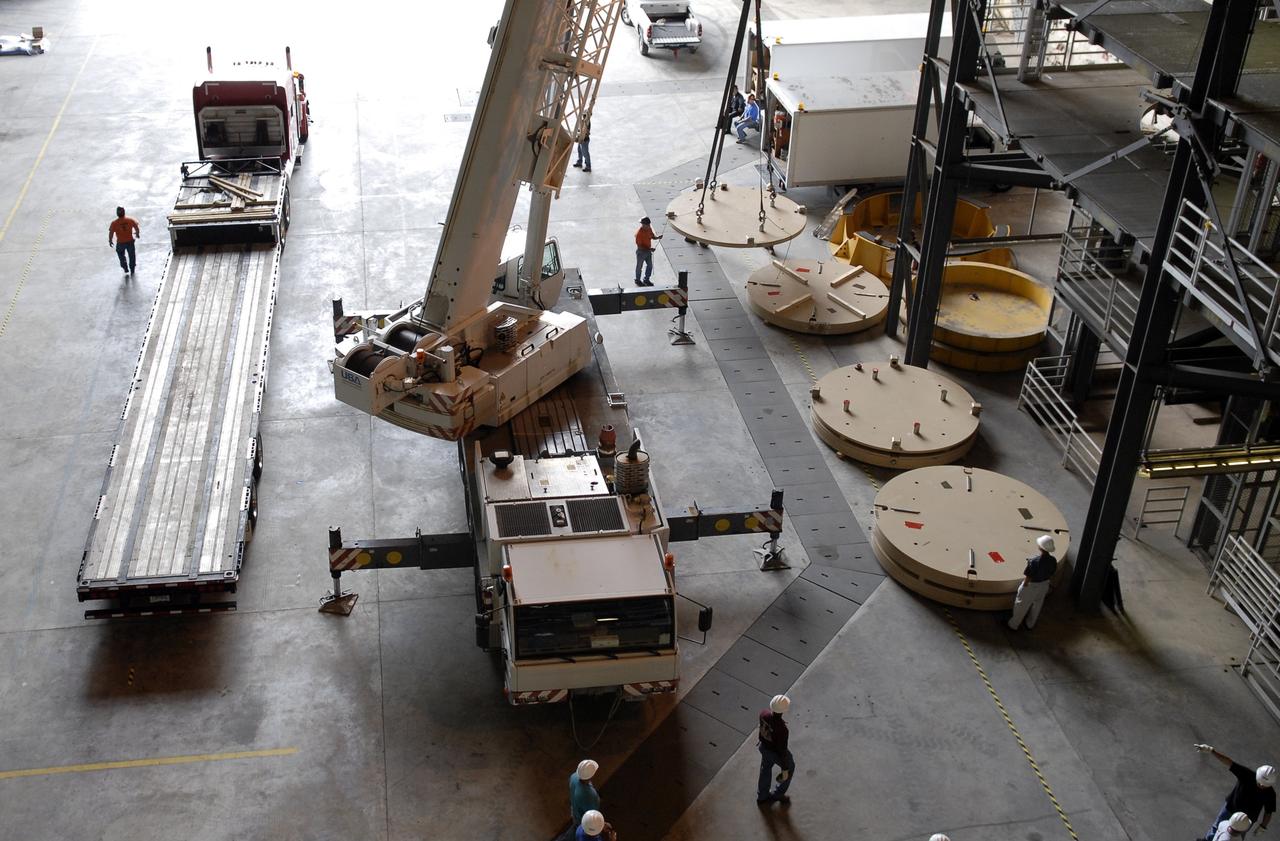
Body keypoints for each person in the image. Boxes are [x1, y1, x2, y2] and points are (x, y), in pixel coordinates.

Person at [1195, 744, 1276, 840]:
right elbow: (1229, 763)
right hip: (1230, 808)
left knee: (1235, 837)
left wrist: (1263, 826)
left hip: (1246, 820)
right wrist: (1211, 751)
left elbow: (1268, 811)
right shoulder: (1247, 775)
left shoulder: (1270, 794)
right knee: (1216, 828)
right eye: (1260, 783)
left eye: (1265, 785)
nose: (1261, 786)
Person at [1007, 534, 1057, 631]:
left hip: (1032, 586)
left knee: (1021, 606)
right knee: (1037, 605)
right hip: (1044, 585)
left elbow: (1028, 576)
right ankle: (1030, 624)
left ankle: (1013, 625)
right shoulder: (1053, 560)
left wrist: (1024, 587)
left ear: (1040, 547)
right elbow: (1052, 572)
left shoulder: (1034, 561)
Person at [757, 693, 795, 805]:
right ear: (784, 711)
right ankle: (778, 794)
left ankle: (762, 796)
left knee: (765, 768)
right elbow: (782, 750)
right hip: (775, 752)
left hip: (764, 747)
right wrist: (785, 768)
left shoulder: (763, 714)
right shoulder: (782, 729)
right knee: (791, 768)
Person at [555, 759, 600, 841]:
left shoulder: (574, 776)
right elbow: (592, 815)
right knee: (575, 834)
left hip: (575, 811)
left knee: (569, 834)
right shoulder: (589, 795)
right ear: (590, 776)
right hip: (582, 820)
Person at [108, 206, 140, 275]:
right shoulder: (130, 220)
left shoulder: (114, 223)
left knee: (120, 254)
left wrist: (110, 240)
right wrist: (137, 234)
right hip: (130, 241)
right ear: (124, 212)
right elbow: (136, 227)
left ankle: (124, 266)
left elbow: (111, 233)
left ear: (117, 214)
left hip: (120, 243)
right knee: (132, 255)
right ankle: (132, 268)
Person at [634, 216, 661, 286]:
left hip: (648, 252)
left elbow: (652, 236)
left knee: (650, 266)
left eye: (648, 224)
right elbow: (640, 246)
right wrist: (650, 249)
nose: (649, 226)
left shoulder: (649, 229)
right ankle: (637, 280)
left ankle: (646, 279)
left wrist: (657, 237)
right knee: (639, 267)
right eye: (643, 224)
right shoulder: (639, 234)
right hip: (641, 252)